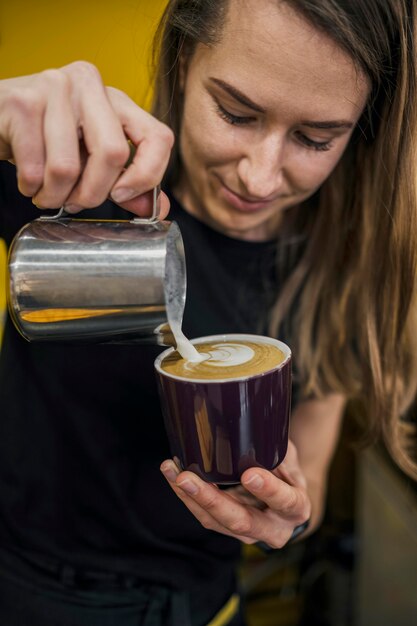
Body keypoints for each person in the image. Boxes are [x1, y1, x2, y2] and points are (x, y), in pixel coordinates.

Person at [0, 0, 416, 624]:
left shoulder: (342, 268)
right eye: (236, 113)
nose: (260, 178)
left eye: (315, 138)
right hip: (26, 588)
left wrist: (286, 514)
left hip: (207, 605)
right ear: (184, 60)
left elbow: (312, 484)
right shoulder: (82, 175)